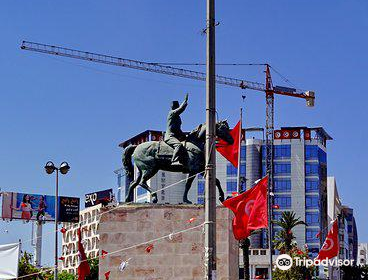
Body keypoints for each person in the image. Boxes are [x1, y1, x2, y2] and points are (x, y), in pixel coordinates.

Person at [164, 93, 188, 166]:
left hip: (176, 136)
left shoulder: (177, 117)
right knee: (178, 145)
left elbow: (178, 130)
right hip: (170, 136)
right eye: (177, 106)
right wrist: (185, 101)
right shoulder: (171, 113)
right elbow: (181, 109)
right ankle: (174, 160)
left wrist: (185, 135)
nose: (178, 107)